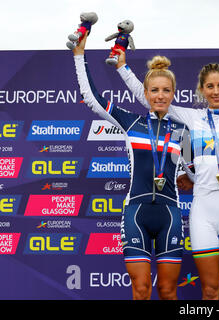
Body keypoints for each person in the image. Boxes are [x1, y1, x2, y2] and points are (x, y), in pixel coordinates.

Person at [115, 52, 219, 300]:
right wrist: (123, 67)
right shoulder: (190, 118)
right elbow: (147, 95)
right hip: (203, 203)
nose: (215, 91)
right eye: (209, 86)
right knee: (210, 290)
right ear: (201, 89)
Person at [71, 33, 191, 300]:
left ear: (173, 94)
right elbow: (92, 98)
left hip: (169, 215)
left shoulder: (183, 131)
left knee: (168, 291)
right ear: (145, 93)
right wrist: (80, 55)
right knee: (141, 290)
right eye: (155, 91)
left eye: (166, 91)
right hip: (135, 213)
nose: (160, 96)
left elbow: (193, 172)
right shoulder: (131, 122)